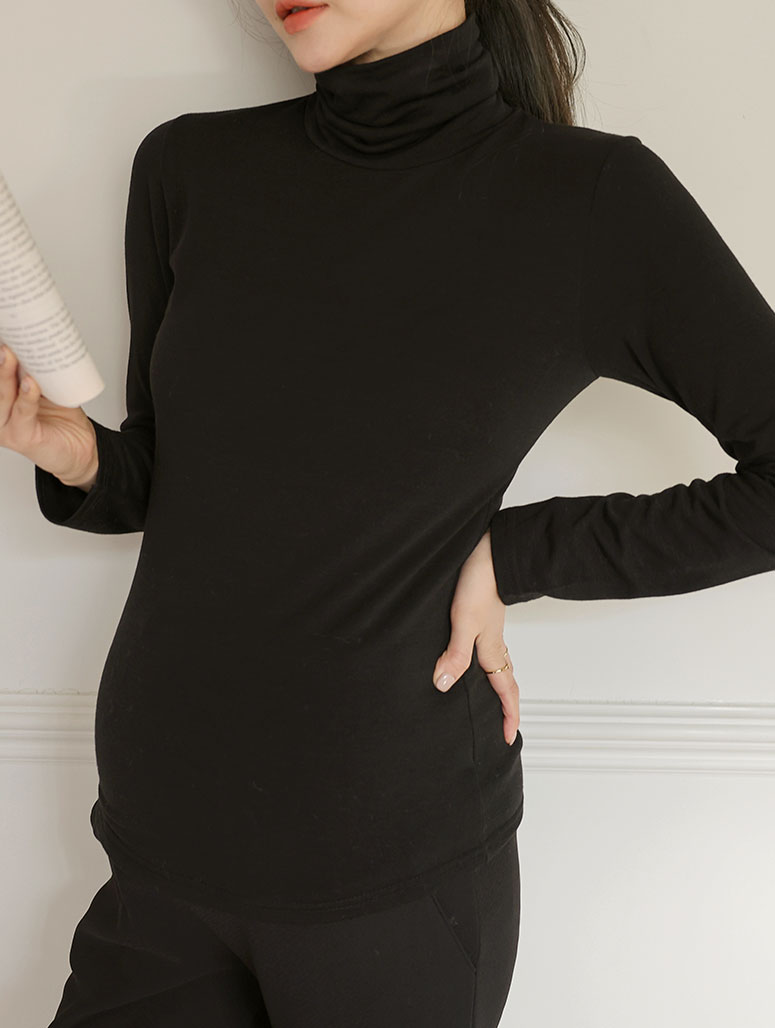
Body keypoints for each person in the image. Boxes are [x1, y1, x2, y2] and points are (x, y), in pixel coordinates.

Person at [2, 0, 774, 1025]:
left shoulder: (589, 200)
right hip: (159, 850)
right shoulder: (188, 168)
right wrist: (78, 453)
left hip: (389, 886)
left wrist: (516, 552)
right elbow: (181, 480)